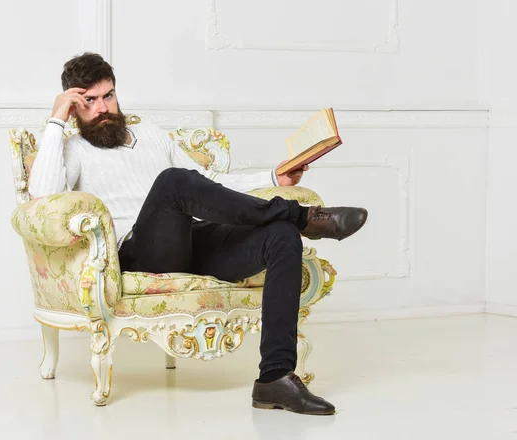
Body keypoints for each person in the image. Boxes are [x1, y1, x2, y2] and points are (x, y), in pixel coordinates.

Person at [29, 52, 368, 416]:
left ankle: (275, 378)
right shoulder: (73, 149)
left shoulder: (151, 135)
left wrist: (273, 179)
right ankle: (303, 215)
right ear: (74, 106)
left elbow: (209, 185)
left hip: (190, 240)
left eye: (108, 96)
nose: (102, 109)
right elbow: (42, 197)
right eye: (88, 101)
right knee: (173, 183)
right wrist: (56, 118)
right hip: (139, 251)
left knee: (281, 236)